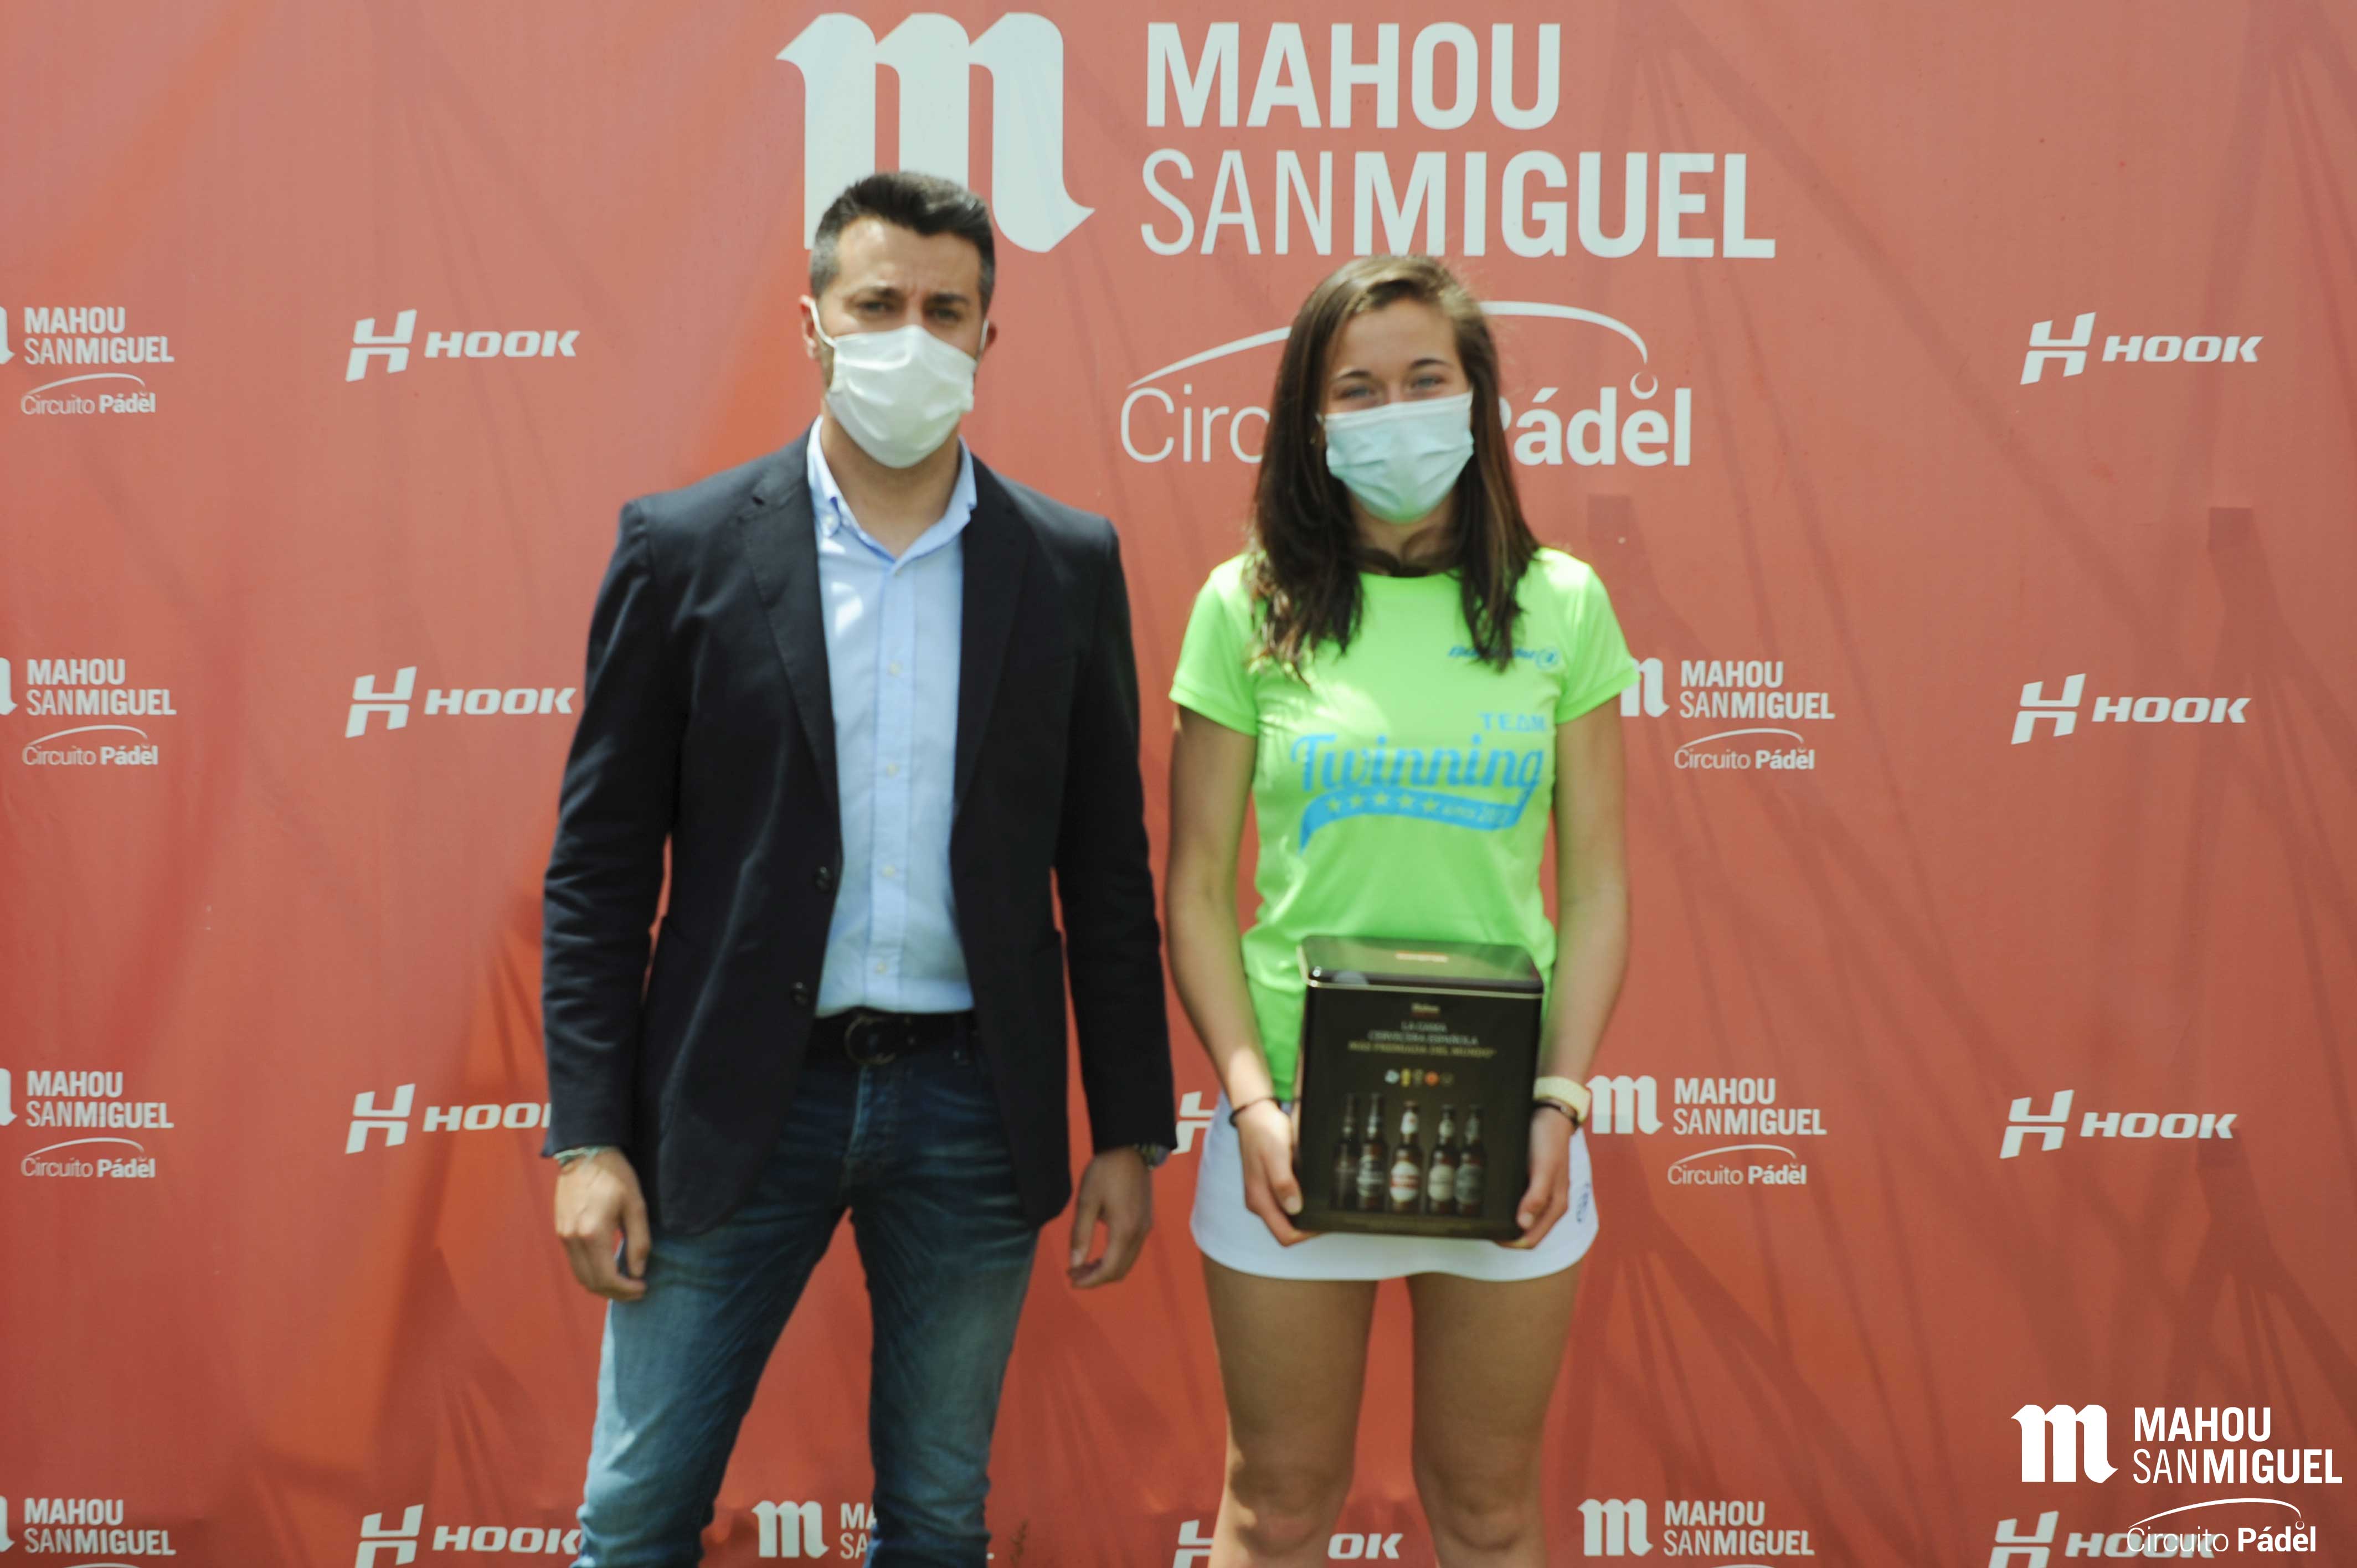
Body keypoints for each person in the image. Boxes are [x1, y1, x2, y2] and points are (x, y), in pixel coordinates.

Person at [539, 170, 1176, 1568]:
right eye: (878, 303)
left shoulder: (1066, 565)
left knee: (938, 1521)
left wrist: (1130, 1128)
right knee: (635, 1517)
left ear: (989, 337)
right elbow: (597, 871)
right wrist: (588, 1137)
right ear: (813, 323)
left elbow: (1105, 872)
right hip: (732, 1104)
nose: (912, 335)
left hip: (972, 1108)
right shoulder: (683, 549)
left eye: (947, 310)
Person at [1163, 255, 1635, 1567]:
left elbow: (1599, 887)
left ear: (1477, 399)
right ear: (1311, 423)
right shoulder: (1244, 606)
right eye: (1357, 390)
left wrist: (1557, 1104)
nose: (1395, 413)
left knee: (1486, 1509)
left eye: (1426, 380)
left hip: (1509, 1131)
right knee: (1276, 1506)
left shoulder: (1563, 604)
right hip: (1290, 1124)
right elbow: (1192, 889)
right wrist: (1251, 1105)